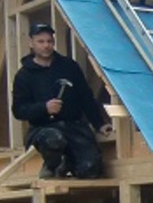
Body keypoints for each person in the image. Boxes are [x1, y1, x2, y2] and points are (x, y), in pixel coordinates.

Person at [11, 23, 111, 179]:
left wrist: (100, 124)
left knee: (91, 169)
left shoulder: (69, 67)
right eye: (41, 42)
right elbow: (19, 110)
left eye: (49, 41)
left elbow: (86, 97)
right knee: (53, 140)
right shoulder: (24, 75)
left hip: (74, 125)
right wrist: (44, 108)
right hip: (43, 127)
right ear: (31, 43)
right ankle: (52, 164)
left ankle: (68, 163)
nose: (46, 46)